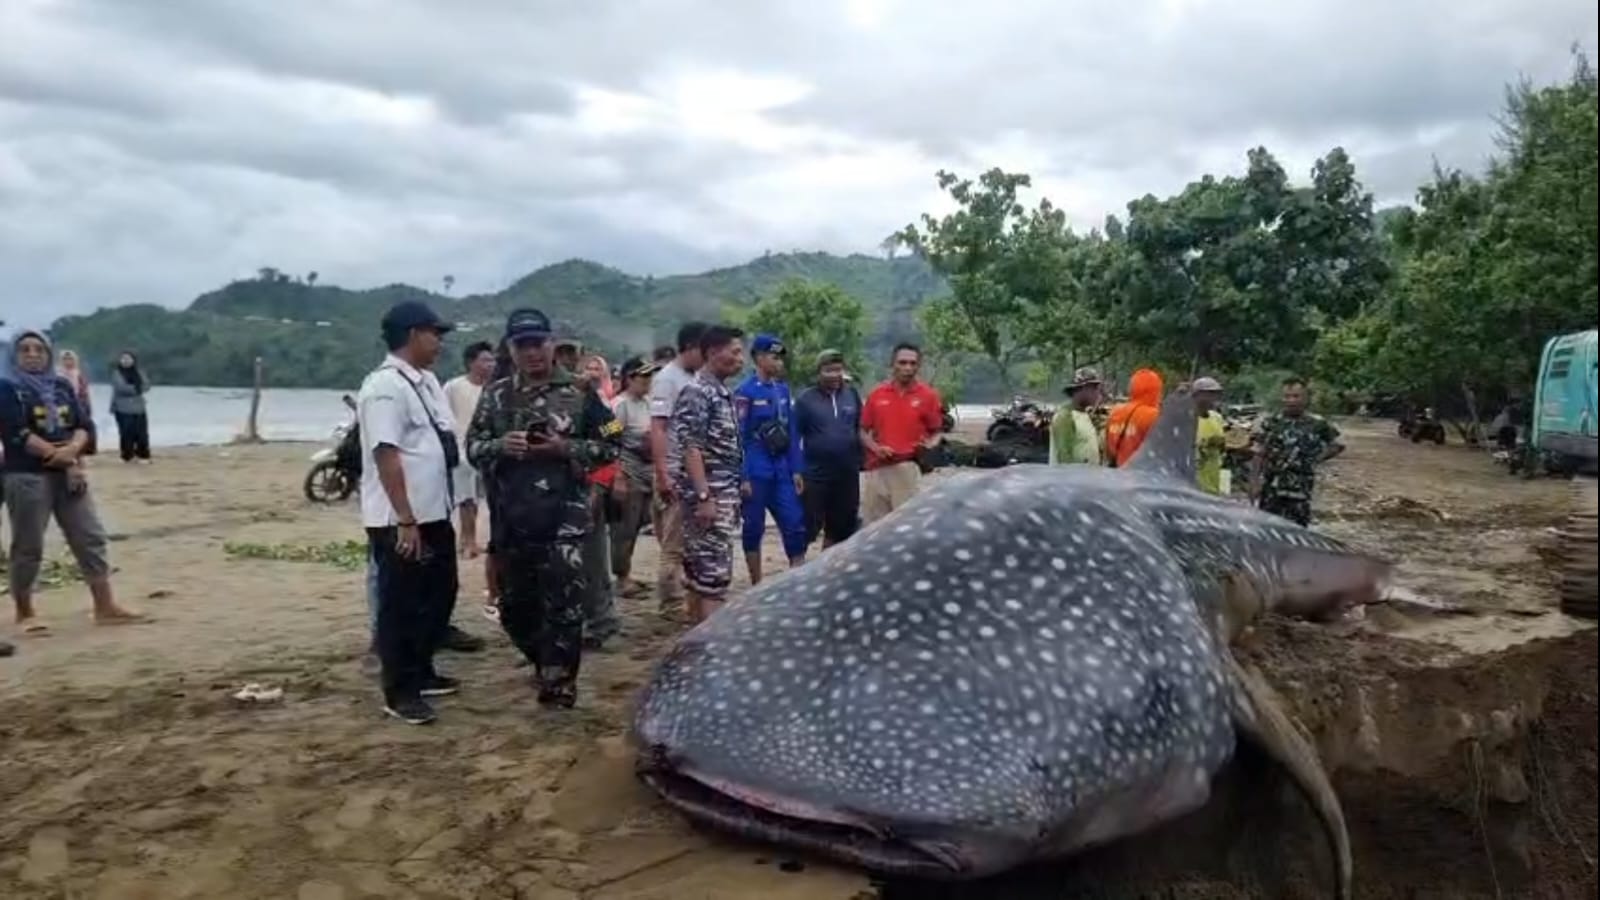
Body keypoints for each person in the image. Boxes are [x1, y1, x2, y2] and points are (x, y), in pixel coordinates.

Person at [467, 309, 621, 708]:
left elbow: (615, 441)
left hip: (564, 518)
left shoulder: (582, 392)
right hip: (512, 518)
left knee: (566, 607)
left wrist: (566, 448)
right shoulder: (496, 393)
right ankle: (544, 662)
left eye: (539, 343)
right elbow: (471, 447)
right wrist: (502, 445)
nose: (533, 352)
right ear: (511, 350)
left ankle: (559, 684)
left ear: (552, 344)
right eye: (523, 345)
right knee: (515, 609)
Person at [0, 331, 147, 641]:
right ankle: (25, 612)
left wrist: (72, 456)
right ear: (14, 355)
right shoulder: (7, 388)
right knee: (28, 545)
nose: (32, 354)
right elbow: (16, 432)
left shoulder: (62, 385)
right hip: (26, 476)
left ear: (48, 354)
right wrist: (57, 454)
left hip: (69, 474)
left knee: (89, 536)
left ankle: (105, 605)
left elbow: (83, 424)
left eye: (39, 349)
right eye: (25, 349)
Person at [357, 301, 463, 725]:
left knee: (438, 596)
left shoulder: (425, 381)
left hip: (435, 512)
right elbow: (387, 453)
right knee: (401, 605)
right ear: (413, 334)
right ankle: (399, 690)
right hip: (401, 520)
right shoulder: (385, 387)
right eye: (435, 334)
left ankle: (422, 670)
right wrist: (404, 518)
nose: (439, 342)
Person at [670, 325, 745, 623]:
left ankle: (697, 640)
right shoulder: (699, 392)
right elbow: (692, 447)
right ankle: (710, 647)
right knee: (712, 578)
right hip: (710, 496)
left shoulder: (720, 392)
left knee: (704, 573)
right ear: (714, 352)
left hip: (721, 492)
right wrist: (704, 496)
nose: (741, 359)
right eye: (735, 352)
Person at [734, 335, 807, 584]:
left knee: (794, 521)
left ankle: (797, 575)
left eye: (780, 358)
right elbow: (739, 437)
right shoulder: (745, 392)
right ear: (760, 358)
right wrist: (743, 476)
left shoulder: (783, 390)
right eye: (774, 357)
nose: (779, 362)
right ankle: (756, 582)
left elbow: (792, 432)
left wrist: (796, 469)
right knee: (754, 526)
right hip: (756, 469)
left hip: (782, 468)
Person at [648, 321, 708, 617]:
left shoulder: (695, 377)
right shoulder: (666, 379)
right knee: (672, 542)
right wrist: (663, 474)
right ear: (690, 347)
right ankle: (669, 602)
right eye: (704, 349)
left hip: (693, 469)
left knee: (690, 541)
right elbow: (657, 428)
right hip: (674, 469)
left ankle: (686, 596)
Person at [859, 343, 943, 524]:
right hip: (876, 468)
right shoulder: (877, 394)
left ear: (919, 366)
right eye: (903, 363)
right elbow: (862, 431)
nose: (908, 368)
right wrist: (876, 448)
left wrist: (929, 446)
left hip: (907, 468)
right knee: (872, 528)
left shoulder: (928, 396)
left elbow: (937, 432)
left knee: (905, 527)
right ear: (892, 364)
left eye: (913, 363)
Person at [1249, 377, 1346, 526]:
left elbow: (1337, 445)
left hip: (1300, 489)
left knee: (1297, 530)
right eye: (1287, 396)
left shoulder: (1317, 423)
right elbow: (1259, 453)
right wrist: (1254, 483)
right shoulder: (1271, 422)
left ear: (1305, 398)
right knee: (1267, 529)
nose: (1291, 401)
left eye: (1296, 396)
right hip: (1272, 489)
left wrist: (1316, 459)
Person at [794, 349, 863, 549]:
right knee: (807, 525)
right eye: (828, 370)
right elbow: (794, 437)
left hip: (847, 472)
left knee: (842, 525)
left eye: (838, 370)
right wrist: (796, 470)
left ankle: (829, 565)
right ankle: (799, 566)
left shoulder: (851, 394)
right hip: (815, 474)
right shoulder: (806, 400)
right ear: (818, 372)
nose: (834, 375)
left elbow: (861, 428)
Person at [577, 351, 621, 649]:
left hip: (585, 489)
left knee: (593, 561)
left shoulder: (590, 399)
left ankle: (602, 624)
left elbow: (613, 433)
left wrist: (598, 484)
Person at [608, 356, 659, 598]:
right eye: (644, 376)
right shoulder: (621, 406)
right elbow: (608, 439)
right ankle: (621, 577)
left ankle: (626, 572)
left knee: (637, 524)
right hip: (628, 470)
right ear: (630, 379)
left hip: (647, 470)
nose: (648, 381)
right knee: (624, 527)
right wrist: (617, 475)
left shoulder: (648, 403)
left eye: (650, 376)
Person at [443, 342, 496, 558]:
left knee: (491, 498)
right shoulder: (454, 387)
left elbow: (611, 428)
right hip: (461, 451)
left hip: (489, 450)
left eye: (492, 360)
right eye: (485, 360)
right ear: (470, 362)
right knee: (467, 499)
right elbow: (444, 419)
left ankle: (487, 540)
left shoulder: (495, 390)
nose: (490, 364)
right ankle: (467, 540)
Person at [1104, 368, 1163, 468]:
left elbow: (1108, 451)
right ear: (1155, 391)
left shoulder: (1114, 413)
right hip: (1141, 478)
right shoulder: (1154, 416)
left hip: (1116, 476)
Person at [1048, 367, 1104, 466]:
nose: (1097, 393)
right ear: (1082, 389)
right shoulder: (1065, 417)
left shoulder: (1085, 416)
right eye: (1094, 388)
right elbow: (1064, 458)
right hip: (1072, 479)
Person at [109, 351, 152, 463]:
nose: (126, 361)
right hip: (122, 408)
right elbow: (121, 388)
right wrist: (137, 389)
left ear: (133, 360)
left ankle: (143, 455)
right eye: (123, 358)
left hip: (139, 408)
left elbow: (147, 385)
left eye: (128, 358)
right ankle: (127, 456)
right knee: (126, 433)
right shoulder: (117, 373)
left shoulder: (139, 372)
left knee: (142, 433)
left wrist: (137, 389)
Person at [1191, 376, 1228, 494]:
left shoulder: (1217, 418)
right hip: (1193, 484)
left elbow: (1223, 448)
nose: (1214, 398)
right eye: (1209, 394)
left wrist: (1221, 443)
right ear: (1197, 395)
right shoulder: (1186, 419)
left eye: (1216, 394)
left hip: (1212, 481)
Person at [57, 350, 92, 417]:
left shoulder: (79, 375)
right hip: (62, 406)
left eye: (70, 359)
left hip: (77, 406)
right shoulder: (57, 375)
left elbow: (85, 394)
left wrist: (87, 409)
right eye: (65, 359)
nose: (68, 362)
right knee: (64, 424)